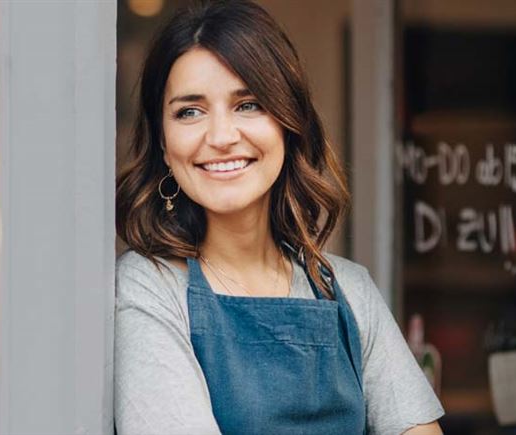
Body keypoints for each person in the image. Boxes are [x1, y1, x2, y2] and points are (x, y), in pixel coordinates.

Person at [111, 1, 443, 434]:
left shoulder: (349, 290)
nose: (221, 136)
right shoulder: (148, 287)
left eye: (247, 104)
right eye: (189, 111)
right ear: (163, 143)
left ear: (288, 122)